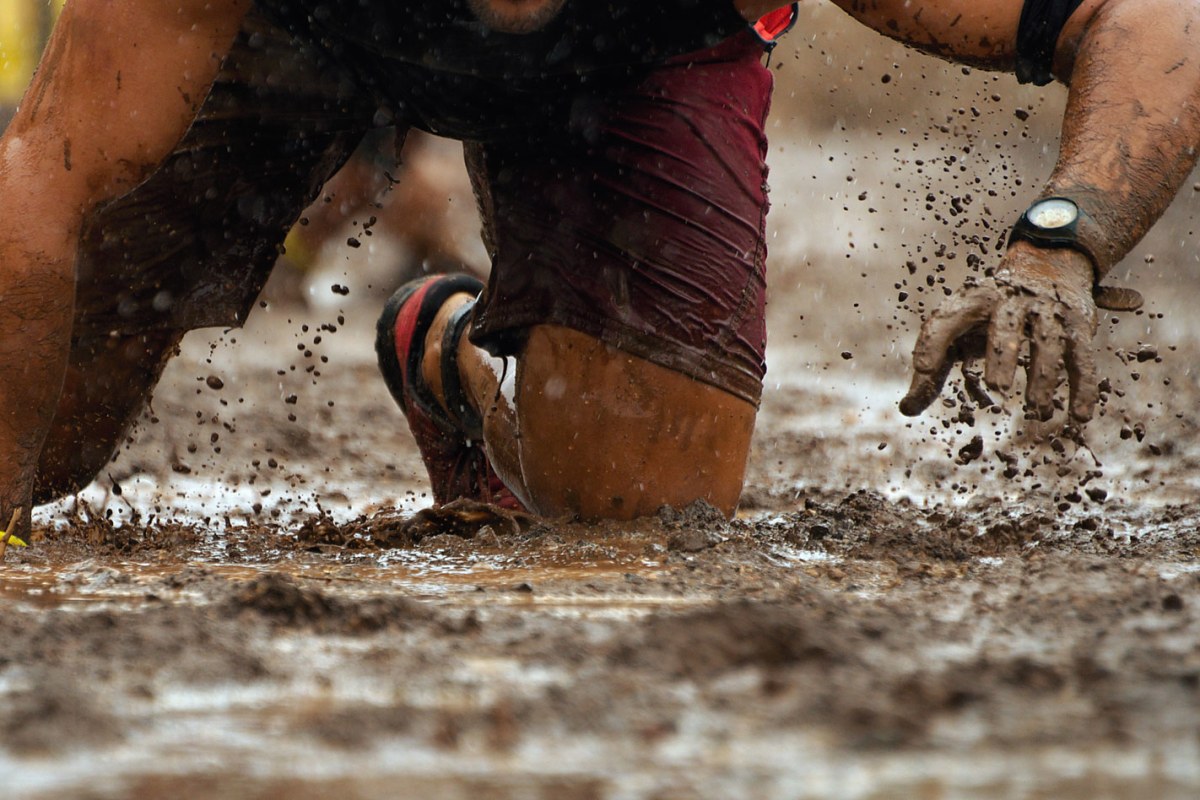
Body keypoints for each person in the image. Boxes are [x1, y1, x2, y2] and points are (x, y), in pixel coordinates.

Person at [0, 0, 1197, 537]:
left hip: (636, 58)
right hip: (292, 26)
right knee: (41, 448)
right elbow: (42, 172)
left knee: (638, 529)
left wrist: (1059, 238)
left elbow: (1151, 14)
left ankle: (451, 353)